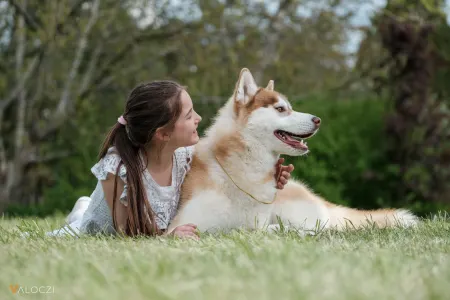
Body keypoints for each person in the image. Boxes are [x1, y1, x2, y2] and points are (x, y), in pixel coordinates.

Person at [49, 81, 294, 239]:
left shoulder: (186, 156)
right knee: (79, 226)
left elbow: (231, 172)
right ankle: (83, 211)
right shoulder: (119, 170)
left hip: (154, 224)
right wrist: (168, 238)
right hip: (102, 229)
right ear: (163, 134)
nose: (198, 118)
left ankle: (82, 205)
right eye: (189, 116)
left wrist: (268, 178)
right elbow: (126, 236)